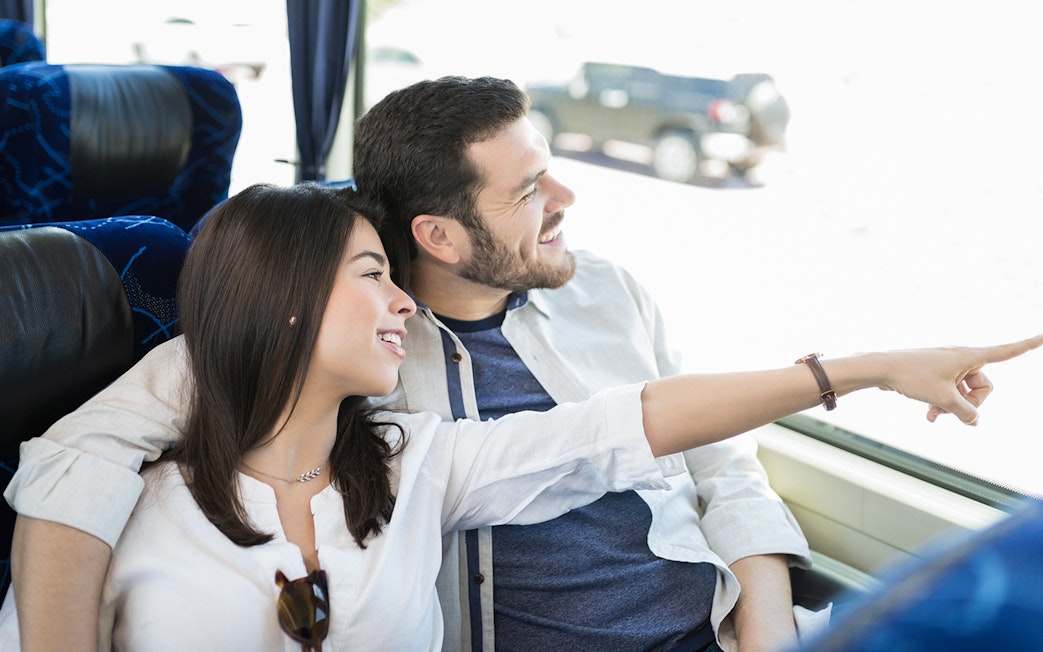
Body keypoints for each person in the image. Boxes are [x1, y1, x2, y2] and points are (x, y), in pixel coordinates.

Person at [4, 75, 1041, 652]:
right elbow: (81, 453)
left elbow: (681, 443)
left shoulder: (601, 299)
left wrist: (765, 624)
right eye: (528, 190)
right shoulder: (338, 350)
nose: (567, 201)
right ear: (439, 236)